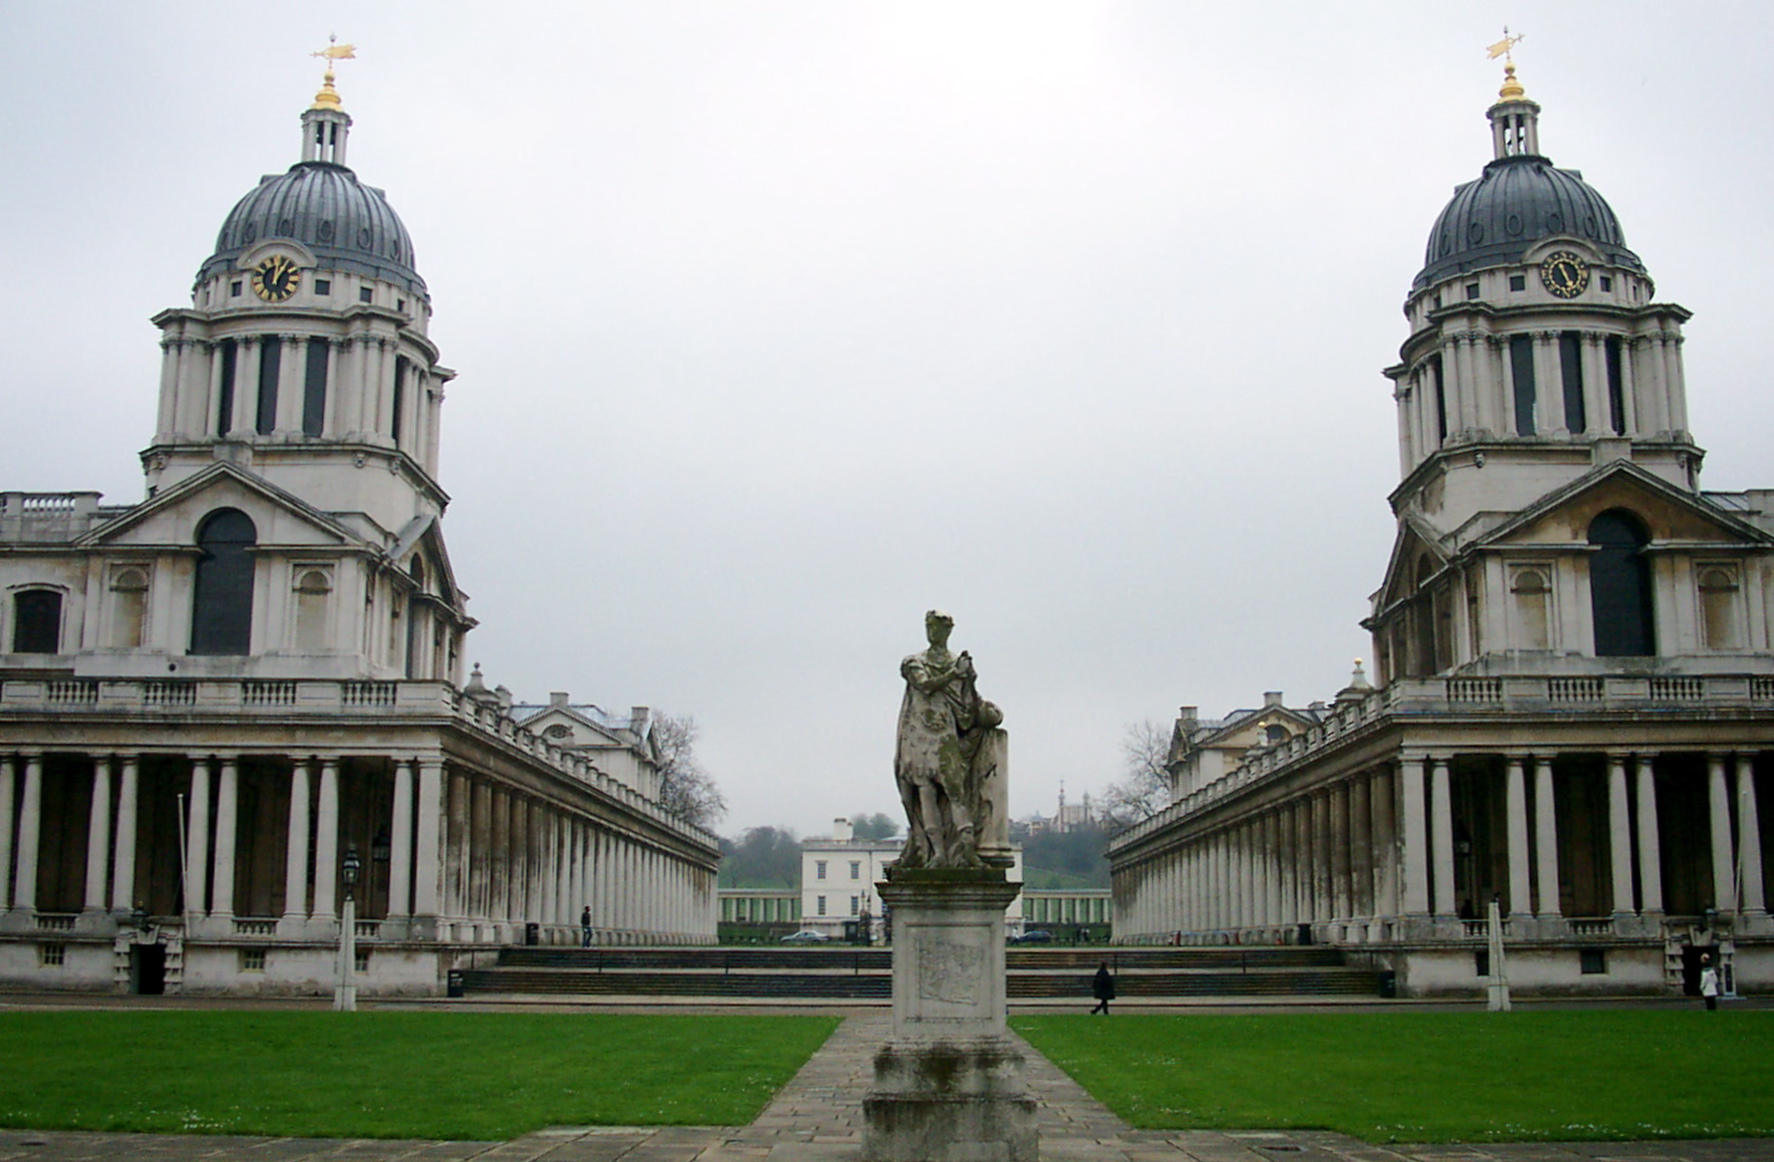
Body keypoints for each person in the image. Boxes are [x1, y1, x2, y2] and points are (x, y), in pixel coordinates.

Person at [894, 610, 1001, 868]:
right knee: (926, 793)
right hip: (919, 738)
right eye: (930, 627)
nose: (933, 633)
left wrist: (970, 679)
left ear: (948, 632)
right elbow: (925, 685)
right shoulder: (913, 662)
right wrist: (956, 673)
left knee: (956, 792)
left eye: (939, 628)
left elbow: (967, 703)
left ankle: (965, 850)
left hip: (945, 735)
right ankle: (937, 853)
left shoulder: (957, 663)